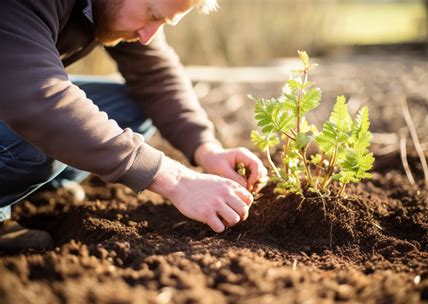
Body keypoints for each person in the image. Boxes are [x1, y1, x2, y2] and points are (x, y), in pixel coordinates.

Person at [0, 0, 267, 252]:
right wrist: (176, 179)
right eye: (153, 15)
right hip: (23, 95)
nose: (148, 36)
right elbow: (38, 99)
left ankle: (32, 186)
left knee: (130, 108)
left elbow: (155, 76)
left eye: (162, 22)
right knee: (46, 138)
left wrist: (206, 149)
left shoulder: (112, 8)